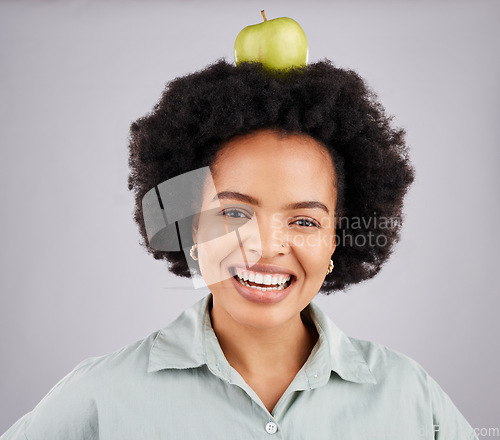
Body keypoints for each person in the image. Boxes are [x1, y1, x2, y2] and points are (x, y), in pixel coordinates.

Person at [1, 59, 478, 439]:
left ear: (337, 238)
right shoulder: (101, 399)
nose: (267, 246)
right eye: (234, 213)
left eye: (305, 220)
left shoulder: (409, 398)